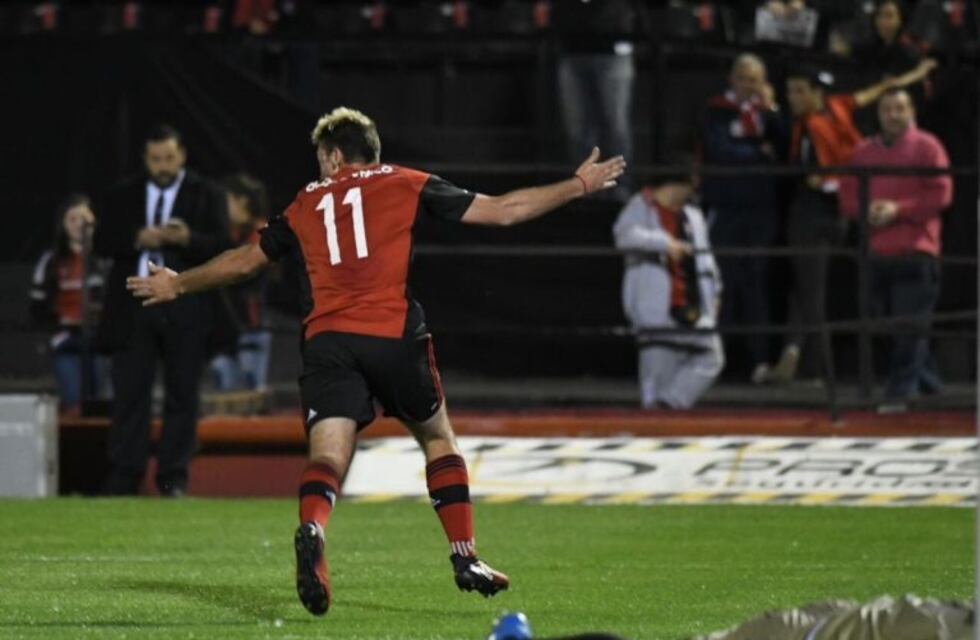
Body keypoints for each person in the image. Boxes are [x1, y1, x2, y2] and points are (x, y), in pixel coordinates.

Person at [126, 107, 625, 616]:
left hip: (327, 342)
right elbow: (502, 210)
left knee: (328, 456)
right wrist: (577, 185)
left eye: (321, 158)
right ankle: (464, 555)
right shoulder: (406, 182)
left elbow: (246, 260)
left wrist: (179, 283)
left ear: (334, 155)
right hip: (392, 334)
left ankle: (314, 527)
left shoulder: (305, 202)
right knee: (436, 437)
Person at [761, 59, 937, 383]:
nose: (793, 98)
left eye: (800, 91)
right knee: (807, 291)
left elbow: (819, 178)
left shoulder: (817, 122)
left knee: (815, 296)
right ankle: (794, 351)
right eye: (789, 92)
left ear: (817, 93)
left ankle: (822, 375)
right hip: (839, 211)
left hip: (820, 214)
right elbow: (874, 93)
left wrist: (833, 184)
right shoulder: (829, 111)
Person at [94, 124, 230, 497]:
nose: (163, 166)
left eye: (169, 158)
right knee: (129, 395)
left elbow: (224, 246)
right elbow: (101, 241)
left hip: (185, 306)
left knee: (183, 394)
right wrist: (137, 238)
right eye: (156, 159)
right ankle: (125, 474)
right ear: (145, 159)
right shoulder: (122, 195)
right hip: (132, 307)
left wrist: (187, 239)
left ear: (182, 155)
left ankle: (173, 477)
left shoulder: (208, 195)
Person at [839, 88, 952, 412]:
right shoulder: (863, 153)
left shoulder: (928, 147)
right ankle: (931, 386)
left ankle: (899, 393)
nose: (893, 115)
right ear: (878, 113)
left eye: (900, 108)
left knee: (909, 325)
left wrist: (897, 210)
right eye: (887, 109)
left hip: (917, 249)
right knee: (891, 325)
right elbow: (847, 195)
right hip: (877, 251)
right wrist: (867, 210)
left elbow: (942, 194)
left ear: (911, 110)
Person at [701, 53, 783, 382]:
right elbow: (719, 151)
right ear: (732, 80)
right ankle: (714, 363)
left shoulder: (769, 114)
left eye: (756, 79)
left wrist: (773, 112)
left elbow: (783, 148)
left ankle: (758, 363)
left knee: (756, 286)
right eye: (744, 78)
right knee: (722, 284)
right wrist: (757, 153)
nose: (749, 86)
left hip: (761, 209)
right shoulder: (716, 110)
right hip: (726, 205)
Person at [613, 167, 723, 410]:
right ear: (676, 184)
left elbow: (706, 257)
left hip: (692, 304)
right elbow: (624, 236)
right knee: (656, 376)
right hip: (655, 306)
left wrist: (716, 290)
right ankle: (656, 417)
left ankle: (669, 404)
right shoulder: (641, 206)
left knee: (711, 356)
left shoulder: (692, 215)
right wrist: (664, 243)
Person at [30, 194, 108, 414]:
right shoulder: (51, 261)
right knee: (74, 402)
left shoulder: (105, 260)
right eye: (72, 219)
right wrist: (56, 329)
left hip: (101, 341)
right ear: (63, 224)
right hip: (66, 340)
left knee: (102, 403)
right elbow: (37, 307)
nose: (78, 225)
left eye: (83, 219)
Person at [209, 173, 272, 391]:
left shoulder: (262, 232)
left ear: (242, 200)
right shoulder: (225, 233)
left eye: (226, 201)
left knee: (250, 393)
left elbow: (244, 270)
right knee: (224, 390)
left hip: (250, 326)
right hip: (224, 328)